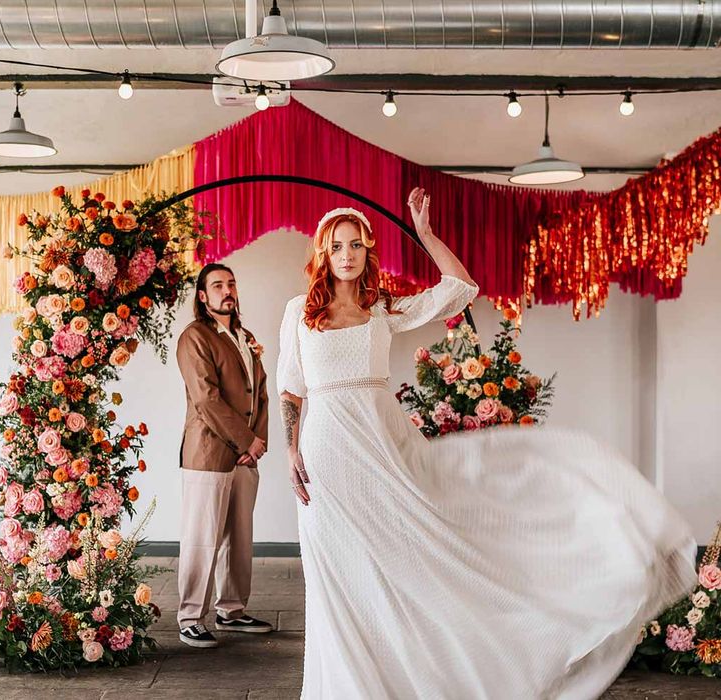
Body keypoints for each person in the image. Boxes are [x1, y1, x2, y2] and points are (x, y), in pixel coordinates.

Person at [276, 188, 697, 699]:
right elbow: (291, 388)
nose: (345, 255)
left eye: (355, 245)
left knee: (400, 563)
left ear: (368, 252)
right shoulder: (300, 312)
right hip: (325, 457)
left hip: (381, 449)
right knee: (336, 578)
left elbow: (459, 287)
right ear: (323, 252)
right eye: (336, 246)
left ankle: (410, 678)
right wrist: (292, 450)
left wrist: (426, 235)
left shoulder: (382, 307)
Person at [175, 262, 273, 648]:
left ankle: (231, 609)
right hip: (209, 454)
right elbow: (206, 399)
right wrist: (246, 440)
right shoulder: (195, 337)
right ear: (203, 296)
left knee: (240, 536)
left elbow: (260, 392)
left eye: (231, 283)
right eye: (217, 285)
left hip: (246, 456)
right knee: (202, 537)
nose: (227, 290)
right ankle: (189, 617)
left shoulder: (245, 336)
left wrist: (257, 442)